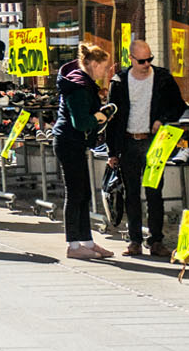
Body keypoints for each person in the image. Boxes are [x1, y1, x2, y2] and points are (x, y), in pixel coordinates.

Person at [107, 40, 185, 257]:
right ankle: (134, 240)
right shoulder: (120, 81)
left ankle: (156, 240)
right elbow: (111, 118)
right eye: (141, 60)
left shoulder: (162, 78)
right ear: (131, 58)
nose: (146, 64)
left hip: (154, 141)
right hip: (128, 141)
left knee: (154, 192)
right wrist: (111, 152)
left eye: (149, 59)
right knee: (131, 193)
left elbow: (178, 106)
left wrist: (162, 119)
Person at [55, 43, 116, 260]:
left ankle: (87, 242)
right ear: (92, 64)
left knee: (83, 193)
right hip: (69, 142)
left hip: (72, 143)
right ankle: (73, 245)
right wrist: (99, 117)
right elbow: (80, 122)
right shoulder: (79, 85)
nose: (106, 71)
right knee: (75, 193)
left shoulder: (80, 82)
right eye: (104, 66)